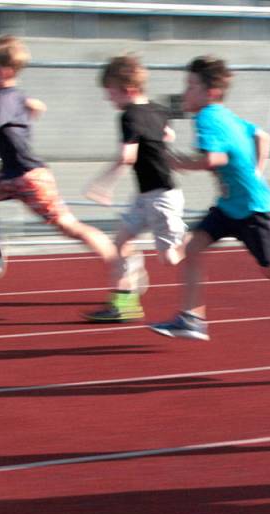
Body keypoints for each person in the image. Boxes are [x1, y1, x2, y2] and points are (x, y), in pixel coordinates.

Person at [148, 56, 270, 341]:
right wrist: (256, 172)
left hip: (252, 208)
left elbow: (214, 158)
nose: (185, 93)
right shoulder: (226, 115)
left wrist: (179, 162)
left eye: (191, 86)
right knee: (191, 250)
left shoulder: (207, 117)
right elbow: (263, 136)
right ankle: (191, 319)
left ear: (210, 93)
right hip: (228, 206)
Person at [0, 35, 125, 306]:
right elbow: (30, 108)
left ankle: (121, 265)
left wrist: (32, 109)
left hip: (30, 177)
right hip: (10, 175)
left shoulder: (6, 99)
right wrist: (33, 109)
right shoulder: (15, 97)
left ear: (5, 70)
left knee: (70, 226)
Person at [83, 54, 186, 323]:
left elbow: (127, 156)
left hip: (163, 197)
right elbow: (168, 136)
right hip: (145, 195)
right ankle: (124, 303)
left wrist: (102, 184)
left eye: (111, 93)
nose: (109, 100)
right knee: (120, 243)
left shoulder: (129, 116)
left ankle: (200, 238)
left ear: (127, 90)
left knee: (170, 258)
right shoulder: (158, 109)